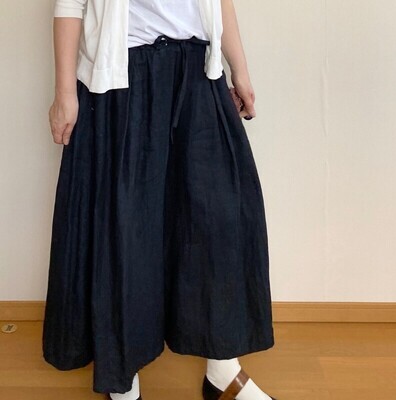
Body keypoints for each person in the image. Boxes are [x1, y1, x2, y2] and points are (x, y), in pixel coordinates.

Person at [42, 1, 276, 399]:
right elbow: (71, 3)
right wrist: (64, 91)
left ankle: (223, 370)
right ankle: (122, 372)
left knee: (219, 221)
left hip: (199, 69)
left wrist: (239, 68)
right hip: (125, 77)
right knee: (127, 229)